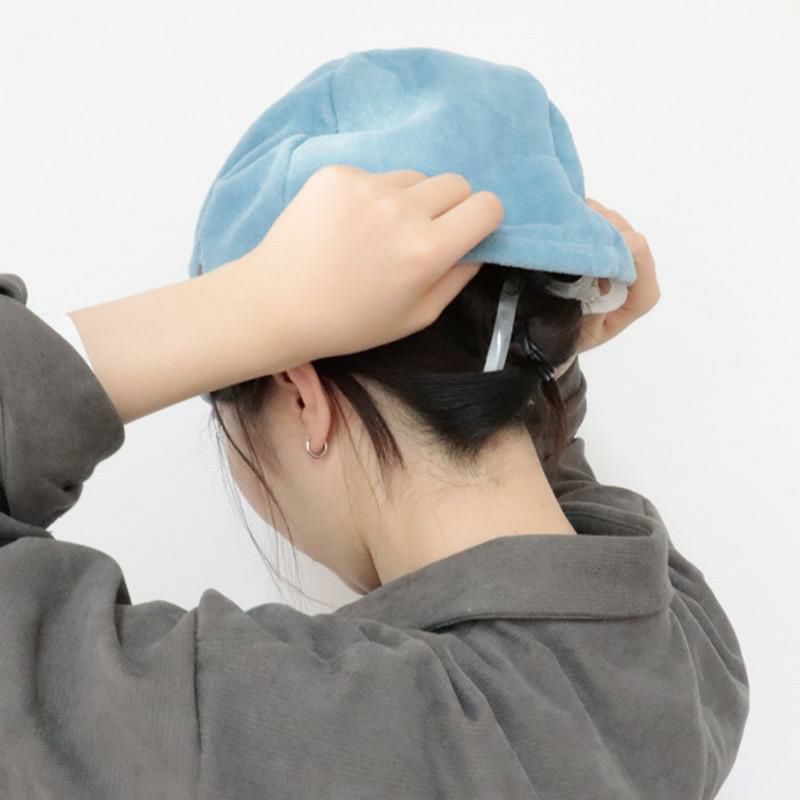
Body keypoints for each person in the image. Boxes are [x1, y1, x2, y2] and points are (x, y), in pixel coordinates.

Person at [0, 165, 748, 798]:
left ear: (302, 396)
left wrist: (246, 307)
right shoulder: (690, 649)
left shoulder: (275, 732)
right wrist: (533, 337)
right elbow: (547, 516)